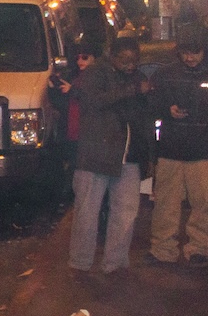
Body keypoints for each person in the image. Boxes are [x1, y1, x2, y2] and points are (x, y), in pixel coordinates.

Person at [70, 37, 152, 274]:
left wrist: (149, 156)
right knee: (87, 212)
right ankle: (80, 263)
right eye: (124, 60)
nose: (130, 65)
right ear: (112, 56)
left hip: (128, 156)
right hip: (96, 155)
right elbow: (93, 101)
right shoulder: (96, 73)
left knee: (126, 213)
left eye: (134, 60)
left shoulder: (138, 77)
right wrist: (132, 90)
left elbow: (145, 117)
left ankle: (115, 263)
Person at [150, 26, 208, 264]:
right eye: (185, 52)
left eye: (195, 52)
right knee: (166, 203)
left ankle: (200, 248)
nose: (190, 57)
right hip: (171, 149)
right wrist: (168, 110)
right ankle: (163, 249)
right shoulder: (165, 74)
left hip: (203, 151)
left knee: (203, 203)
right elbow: (151, 102)